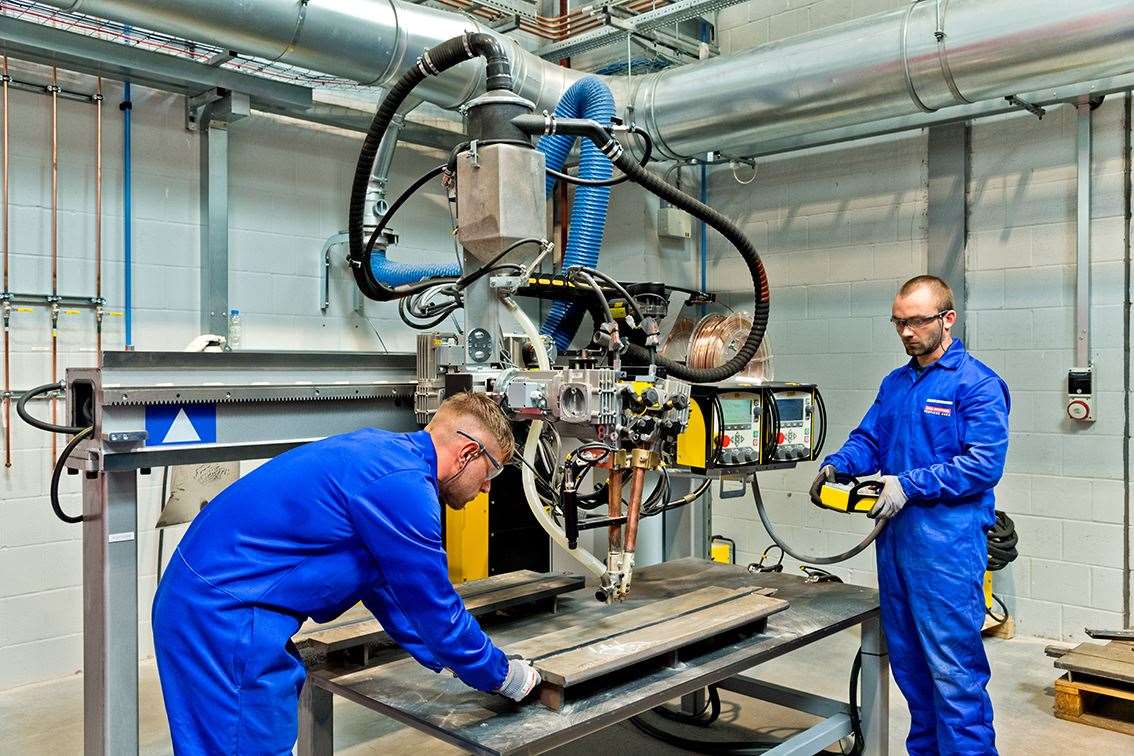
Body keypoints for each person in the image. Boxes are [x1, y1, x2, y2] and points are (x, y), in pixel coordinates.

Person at [152, 392, 540, 754]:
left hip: (211, 602)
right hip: (226, 618)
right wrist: (503, 676)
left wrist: (458, 663)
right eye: (491, 472)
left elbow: (391, 593)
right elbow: (436, 609)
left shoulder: (383, 455)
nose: (487, 488)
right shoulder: (403, 489)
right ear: (468, 453)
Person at [811, 275, 1009, 755]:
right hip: (896, 545)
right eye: (898, 322)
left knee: (954, 675)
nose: (905, 333)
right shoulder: (896, 383)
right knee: (912, 672)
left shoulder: (976, 384)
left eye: (916, 322)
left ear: (947, 319)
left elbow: (984, 464)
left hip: (947, 549)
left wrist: (908, 484)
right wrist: (840, 462)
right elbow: (870, 438)